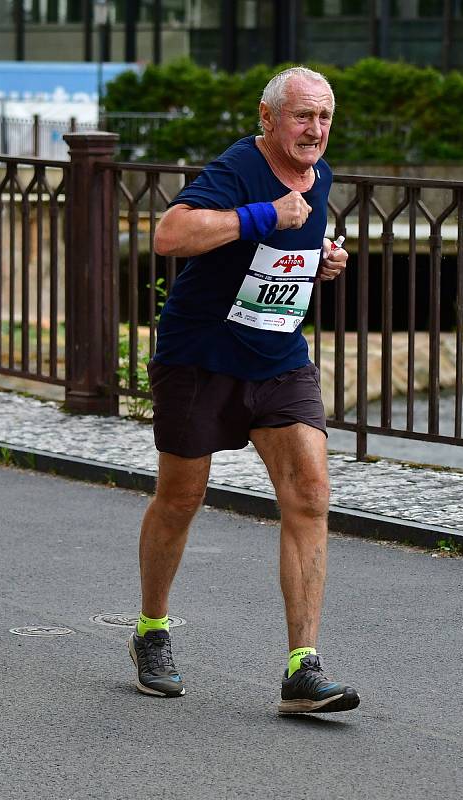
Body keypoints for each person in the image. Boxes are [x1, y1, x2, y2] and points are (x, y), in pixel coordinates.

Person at [128, 66, 360, 715]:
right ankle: (151, 631)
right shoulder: (238, 167)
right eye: (301, 117)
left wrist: (319, 260)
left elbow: (280, 256)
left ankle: (302, 668)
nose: (313, 129)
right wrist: (263, 213)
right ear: (267, 119)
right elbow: (169, 235)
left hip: (277, 357)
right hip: (199, 357)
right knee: (180, 497)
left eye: (323, 117)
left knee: (310, 492)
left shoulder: (322, 175)